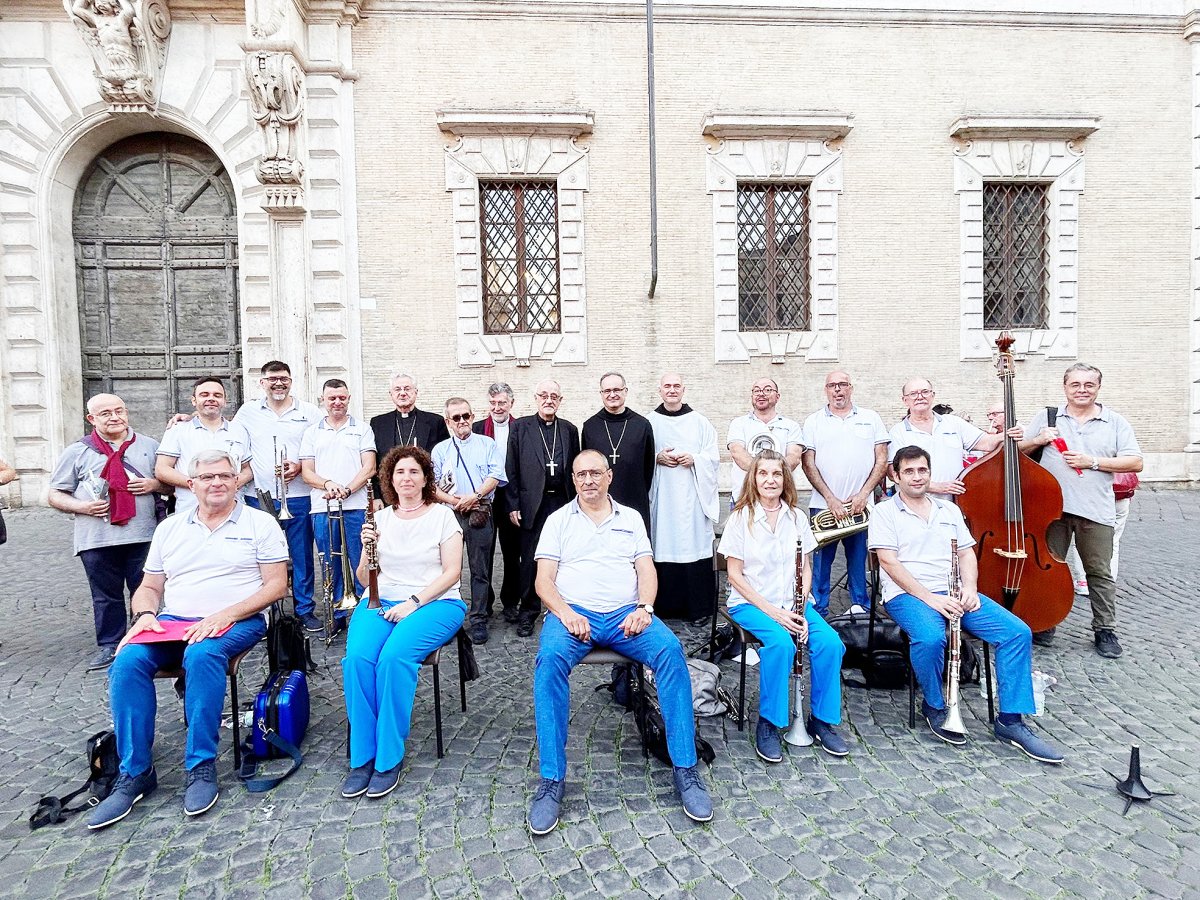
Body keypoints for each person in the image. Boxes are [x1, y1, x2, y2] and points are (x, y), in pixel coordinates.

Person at [86, 450, 288, 830]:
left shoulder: (260, 524)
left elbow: (277, 586)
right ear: (191, 484)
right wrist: (145, 615)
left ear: (236, 481)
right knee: (127, 660)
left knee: (203, 653)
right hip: (175, 620)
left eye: (225, 476)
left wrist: (226, 614)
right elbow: (149, 586)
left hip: (237, 618)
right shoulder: (170, 528)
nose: (217, 483)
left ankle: (200, 765)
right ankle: (135, 772)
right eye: (208, 477)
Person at [528, 451, 713, 834]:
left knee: (670, 653)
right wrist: (565, 613)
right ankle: (551, 779)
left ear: (609, 476)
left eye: (596, 473)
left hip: (626, 614)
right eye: (581, 474)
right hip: (572, 614)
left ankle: (685, 767)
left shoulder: (630, 518)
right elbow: (543, 581)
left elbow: (646, 569)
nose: (588, 480)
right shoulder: (558, 521)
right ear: (573, 479)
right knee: (548, 663)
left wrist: (645, 607)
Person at [868, 445, 1065, 763]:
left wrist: (971, 588)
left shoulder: (948, 511)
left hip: (955, 592)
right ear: (896, 475)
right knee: (932, 638)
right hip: (908, 596)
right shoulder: (883, 512)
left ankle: (1011, 721)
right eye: (909, 471)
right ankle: (935, 703)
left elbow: (966, 554)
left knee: (1017, 632)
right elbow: (889, 563)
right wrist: (930, 598)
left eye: (922, 470)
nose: (917, 477)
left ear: (930, 473)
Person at [341, 446, 466, 800]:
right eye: (399, 473)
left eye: (414, 472)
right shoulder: (378, 520)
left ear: (426, 478)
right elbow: (364, 580)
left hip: (435, 602)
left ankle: (388, 757)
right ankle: (363, 756)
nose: (406, 478)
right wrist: (368, 548)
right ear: (389, 479)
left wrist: (414, 603)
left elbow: (453, 572)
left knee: (394, 659)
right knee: (358, 660)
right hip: (381, 600)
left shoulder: (442, 516)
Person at [718, 450, 850, 761]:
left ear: (785, 479)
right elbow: (735, 576)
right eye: (763, 473)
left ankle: (822, 720)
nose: (770, 480)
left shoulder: (797, 517)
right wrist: (774, 612)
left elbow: (806, 566)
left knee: (831, 643)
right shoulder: (741, 518)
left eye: (776, 474)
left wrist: (801, 603)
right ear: (754, 478)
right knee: (780, 645)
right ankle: (770, 722)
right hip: (751, 604)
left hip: (793, 604)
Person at [1020, 363, 1142, 658]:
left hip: (1096, 510)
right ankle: (1046, 623)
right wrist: (1038, 439)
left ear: (1098, 387)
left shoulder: (1114, 422)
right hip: (1052, 510)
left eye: (1089, 385)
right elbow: (1018, 453)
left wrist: (1093, 462)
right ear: (1065, 388)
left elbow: (1135, 462)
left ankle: (1105, 629)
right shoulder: (1047, 417)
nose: (1082, 390)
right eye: (1075, 385)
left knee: (1098, 572)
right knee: (1049, 569)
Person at [48, 394, 163, 671]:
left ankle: (145, 639)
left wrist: (154, 484)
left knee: (145, 588)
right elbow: (54, 493)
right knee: (105, 595)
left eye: (119, 411)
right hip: (96, 537)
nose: (114, 417)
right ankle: (110, 644)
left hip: (143, 534)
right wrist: (83, 506)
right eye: (105, 413)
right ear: (92, 419)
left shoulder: (149, 446)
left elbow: (171, 484)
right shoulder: (77, 451)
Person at [234, 361, 322, 631]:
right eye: (272, 379)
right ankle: (265, 612)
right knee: (260, 556)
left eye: (283, 378)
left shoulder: (309, 412)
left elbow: (322, 445)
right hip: (260, 497)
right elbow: (227, 435)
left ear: (291, 380)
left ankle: (304, 609)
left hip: (299, 495)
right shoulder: (247, 411)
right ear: (262, 382)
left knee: (302, 555)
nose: (278, 383)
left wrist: (299, 466)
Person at [800, 371, 889, 617]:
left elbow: (882, 459)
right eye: (832, 385)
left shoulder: (871, 418)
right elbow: (808, 463)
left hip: (861, 506)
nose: (837, 390)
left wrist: (863, 494)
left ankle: (860, 609)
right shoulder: (813, 421)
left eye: (842, 385)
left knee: (859, 561)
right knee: (820, 563)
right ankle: (818, 611)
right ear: (825, 389)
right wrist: (830, 498)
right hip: (823, 505)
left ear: (851, 388)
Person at [300, 379, 377, 633]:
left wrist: (347, 489)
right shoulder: (311, 432)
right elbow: (307, 473)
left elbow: (370, 467)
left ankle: (364, 615)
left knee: (359, 560)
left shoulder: (362, 429)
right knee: (330, 564)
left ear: (349, 398)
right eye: (332, 398)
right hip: (323, 507)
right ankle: (337, 614)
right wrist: (328, 484)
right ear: (322, 399)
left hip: (355, 506)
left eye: (342, 397)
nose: (337, 402)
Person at [505, 380, 580, 637]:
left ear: (561, 400)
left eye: (554, 396)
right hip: (531, 503)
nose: (549, 400)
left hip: (562, 500)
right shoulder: (521, 428)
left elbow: (575, 468)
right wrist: (513, 503)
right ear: (536, 398)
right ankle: (528, 612)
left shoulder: (569, 429)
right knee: (530, 560)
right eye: (544, 396)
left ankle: (563, 608)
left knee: (565, 556)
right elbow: (511, 467)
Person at [432, 398, 506, 644]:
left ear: (473, 417)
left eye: (466, 416)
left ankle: (479, 618)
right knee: (448, 569)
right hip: (450, 514)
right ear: (448, 421)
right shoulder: (440, 449)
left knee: (480, 569)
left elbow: (495, 475)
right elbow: (432, 487)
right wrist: (456, 502)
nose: (462, 421)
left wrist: (474, 497)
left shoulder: (487, 443)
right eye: (456, 417)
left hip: (479, 510)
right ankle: (447, 618)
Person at [646, 373, 719, 622]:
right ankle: (664, 608)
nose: (672, 390)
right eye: (667, 386)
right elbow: (641, 455)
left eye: (676, 386)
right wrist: (656, 458)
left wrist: (695, 459)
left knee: (692, 545)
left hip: (692, 500)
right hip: (663, 499)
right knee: (663, 543)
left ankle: (698, 609)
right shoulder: (649, 422)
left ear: (683, 389)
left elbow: (713, 457)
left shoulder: (700, 422)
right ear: (660, 390)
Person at [886, 378, 1011, 500]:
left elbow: (986, 443)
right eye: (913, 394)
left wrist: (1006, 434)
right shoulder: (897, 432)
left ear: (932, 395)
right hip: (916, 503)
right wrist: (936, 487)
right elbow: (893, 472)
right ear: (905, 400)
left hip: (956, 501)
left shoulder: (954, 423)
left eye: (925, 392)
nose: (920, 397)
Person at [155, 377, 252, 515]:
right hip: (190, 511)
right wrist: (198, 484)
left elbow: (247, 469)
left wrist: (231, 484)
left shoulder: (239, 431)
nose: (211, 399)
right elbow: (162, 469)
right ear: (194, 400)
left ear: (224, 401)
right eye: (204, 395)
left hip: (233, 511)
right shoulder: (178, 430)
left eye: (217, 395)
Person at [581, 372, 656, 532]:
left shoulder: (642, 425)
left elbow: (648, 468)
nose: (612, 394)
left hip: (634, 499)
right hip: (599, 503)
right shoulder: (590, 426)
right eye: (607, 391)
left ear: (625, 391)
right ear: (601, 394)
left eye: (617, 389)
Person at [474, 382, 521, 621]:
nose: (497, 407)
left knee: (513, 554)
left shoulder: (521, 427)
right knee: (484, 551)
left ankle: (511, 602)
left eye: (502, 402)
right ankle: (486, 602)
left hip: (511, 496)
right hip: (484, 497)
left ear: (511, 403)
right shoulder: (478, 427)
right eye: (493, 403)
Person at [368, 373, 449, 497]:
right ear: (391, 394)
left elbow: (446, 459)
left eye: (407, 389)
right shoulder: (378, 423)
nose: (402, 393)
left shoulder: (435, 422)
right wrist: (377, 497)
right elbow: (374, 462)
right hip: (389, 493)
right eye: (397, 389)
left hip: (426, 492)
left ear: (416, 392)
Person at [726, 377, 803, 504]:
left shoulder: (791, 426)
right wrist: (765, 475)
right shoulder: (738, 423)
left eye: (767, 390)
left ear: (777, 396)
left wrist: (768, 476)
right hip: (744, 498)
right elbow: (737, 452)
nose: (761, 394)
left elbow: (794, 457)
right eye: (756, 391)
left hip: (780, 498)